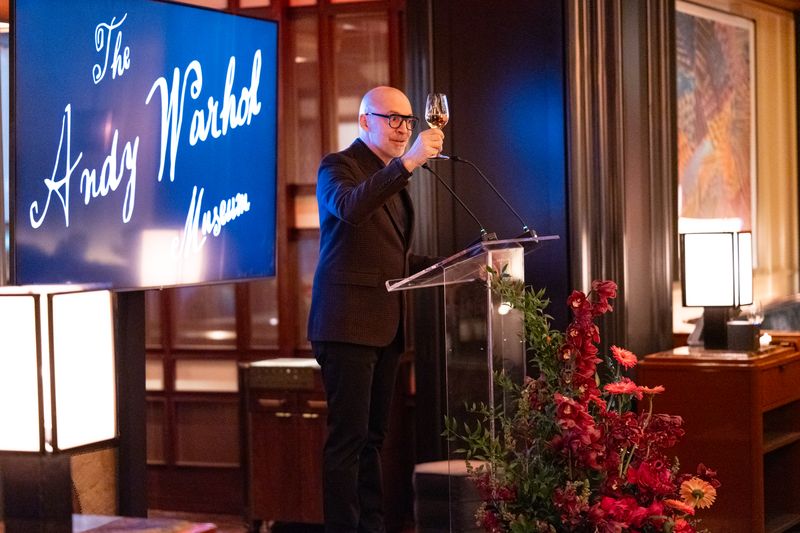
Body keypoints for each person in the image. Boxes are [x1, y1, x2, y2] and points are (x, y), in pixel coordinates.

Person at [307, 86, 444, 532]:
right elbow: (350, 208)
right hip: (346, 325)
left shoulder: (391, 175)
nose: (405, 128)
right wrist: (409, 163)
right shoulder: (338, 167)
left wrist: (460, 263)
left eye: (409, 120)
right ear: (365, 120)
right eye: (394, 119)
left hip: (385, 326)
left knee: (374, 440)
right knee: (348, 441)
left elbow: (393, 258)